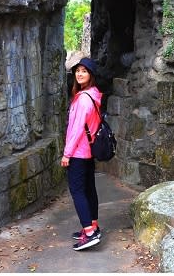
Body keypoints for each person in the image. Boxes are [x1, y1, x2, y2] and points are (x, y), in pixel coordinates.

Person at [60, 57, 103, 251]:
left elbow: (76, 129)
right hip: (89, 151)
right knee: (88, 190)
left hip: (78, 152)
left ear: (91, 75)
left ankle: (90, 233)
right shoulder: (93, 95)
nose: (79, 74)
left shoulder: (84, 99)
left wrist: (67, 154)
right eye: (77, 70)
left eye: (84, 71)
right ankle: (93, 225)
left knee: (78, 192)